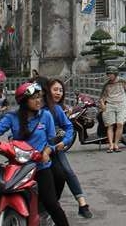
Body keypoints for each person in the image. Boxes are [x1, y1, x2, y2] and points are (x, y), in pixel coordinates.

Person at [0, 81, 70, 226]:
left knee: (51, 204)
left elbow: (51, 140)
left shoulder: (46, 116)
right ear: (23, 101)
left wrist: (47, 151)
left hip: (40, 166)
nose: (38, 100)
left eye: (39, 97)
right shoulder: (12, 117)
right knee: (3, 191)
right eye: (34, 98)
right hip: (17, 165)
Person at [45, 78, 93, 219]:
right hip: (35, 148)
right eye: (55, 89)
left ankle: (82, 204)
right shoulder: (37, 107)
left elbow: (69, 127)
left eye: (61, 90)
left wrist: (64, 142)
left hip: (54, 147)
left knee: (66, 171)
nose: (58, 93)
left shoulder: (57, 109)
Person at [98, 65, 126, 152]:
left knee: (120, 124)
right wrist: (102, 104)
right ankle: (111, 145)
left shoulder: (122, 81)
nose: (109, 76)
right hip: (110, 105)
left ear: (115, 74)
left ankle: (116, 144)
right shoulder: (106, 84)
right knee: (110, 125)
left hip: (121, 105)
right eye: (108, 74)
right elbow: (102, 96)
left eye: (111, 74)